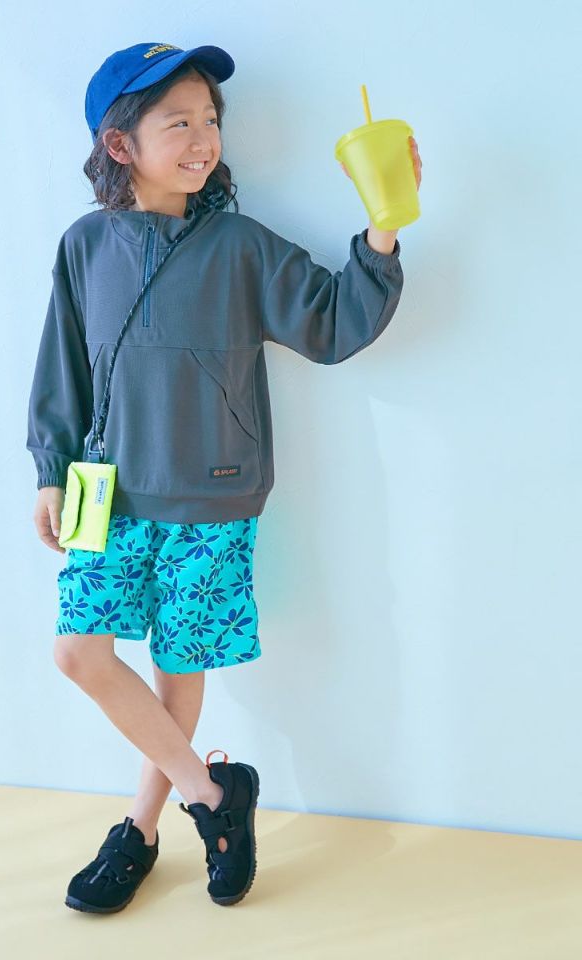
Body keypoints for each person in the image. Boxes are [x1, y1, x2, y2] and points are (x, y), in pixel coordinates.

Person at [26, 42, 421, 914]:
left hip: (214, 492)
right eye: (179, 122)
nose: (204, 138)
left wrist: (385, 226)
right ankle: (213, 795)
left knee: (179, 667)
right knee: (79, 652)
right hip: (104, 495)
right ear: (120, 143)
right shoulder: (85, 246)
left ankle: (138, 830)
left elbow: (333, 321)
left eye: (210, 120)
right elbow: (63, 368)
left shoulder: (240, 245)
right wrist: (51, 470)